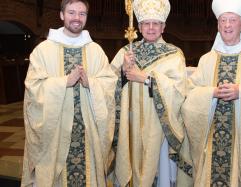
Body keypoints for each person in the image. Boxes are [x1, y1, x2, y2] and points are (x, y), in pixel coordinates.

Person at [181, 0, 241, 186]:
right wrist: (210, 93)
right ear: (218, 25)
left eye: (232, 20)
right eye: (223, 20)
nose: (227, 25)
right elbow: (189, 92)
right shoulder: (207, 60)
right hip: (211, 143)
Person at [21, 0, 117, 186]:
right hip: (55, 131)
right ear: (62, 15)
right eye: (72, 12)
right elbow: (33, 86)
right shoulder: (43, 50)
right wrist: (65, 82)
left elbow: (109, 84)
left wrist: (92, 83)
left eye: (82, 14)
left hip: (88, 132)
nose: (77, 18)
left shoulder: (95, 51)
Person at [110, 0, 192, 186]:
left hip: (159, 127)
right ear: (138, 26)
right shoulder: (126, 52)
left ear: (163, 27)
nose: (151, 27)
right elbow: (107, 86)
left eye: (156, 23)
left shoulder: (174, 54)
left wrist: (146, 78)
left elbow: (179, 91)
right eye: (146, 23)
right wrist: (123, 72)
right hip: (129, 124)